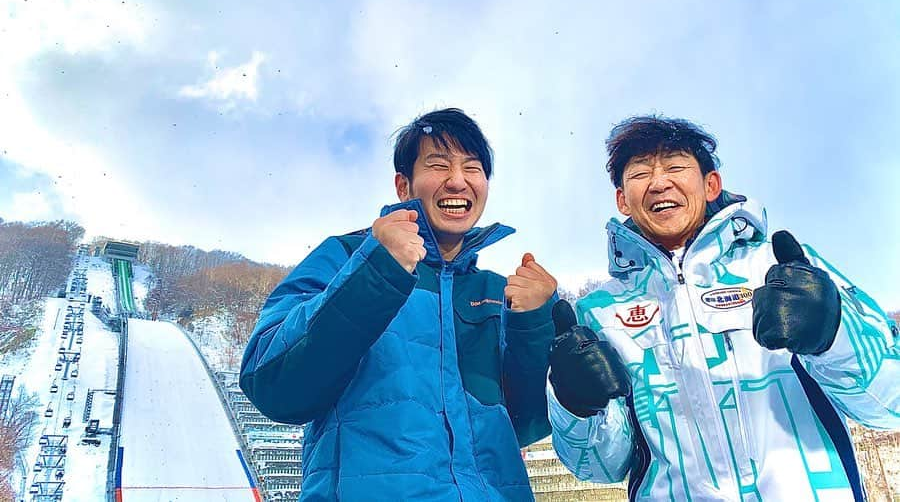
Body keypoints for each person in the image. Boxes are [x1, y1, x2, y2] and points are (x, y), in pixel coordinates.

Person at [548, 116, 900, 501]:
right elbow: (600, 465)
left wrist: (835, 334)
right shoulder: (599, 312)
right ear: (622, 200)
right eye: (640, 172)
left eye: (676, 166)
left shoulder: (782, 270)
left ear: (710, 184)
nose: (659, 182)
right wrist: (576, 408)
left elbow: (888, 404)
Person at [240, 108, 558, 501]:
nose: (457, 181)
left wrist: (533, 323)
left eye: (472, 168)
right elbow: (271, 384)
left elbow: (525, 424)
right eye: (439, 165)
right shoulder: (346, 257)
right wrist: (377, 273)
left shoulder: (498, 291)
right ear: (403, 185)